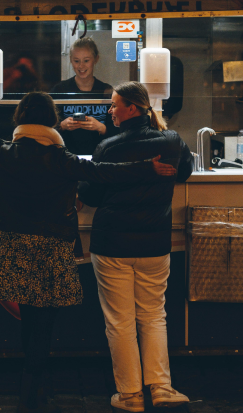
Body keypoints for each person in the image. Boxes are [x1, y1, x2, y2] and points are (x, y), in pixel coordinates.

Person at [0, 92, 177, 413]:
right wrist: (147, 167)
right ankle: (37, 383)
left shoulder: (0, 152)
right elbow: (105, 172)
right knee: (44, 321)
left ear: (19, 120)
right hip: (52, 250)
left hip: (10, 249)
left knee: (27, 317)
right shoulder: (62, 159)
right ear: (51, 121)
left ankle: (30, 389)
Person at [77, 82, 194, 412]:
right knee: (154, 315)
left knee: (120, 321)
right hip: (155, 242)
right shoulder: (172, 140)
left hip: (112, 243)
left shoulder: (108, 146)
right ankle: (161, 387)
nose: (110, 111)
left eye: (115, 105)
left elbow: (91, 194)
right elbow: (184, 172)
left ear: (132, 108)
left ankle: (129, 395)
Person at [50, 37, 116, 156]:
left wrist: (101, 127)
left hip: (100, 158)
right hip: (67, 158)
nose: (81, 66)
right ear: (70, 60)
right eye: (76, 61)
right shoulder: (60, 90)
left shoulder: (106, 91)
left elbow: (119, 130)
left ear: (96, 59)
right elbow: (47, 127)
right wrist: (62, 126)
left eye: (86, 60)